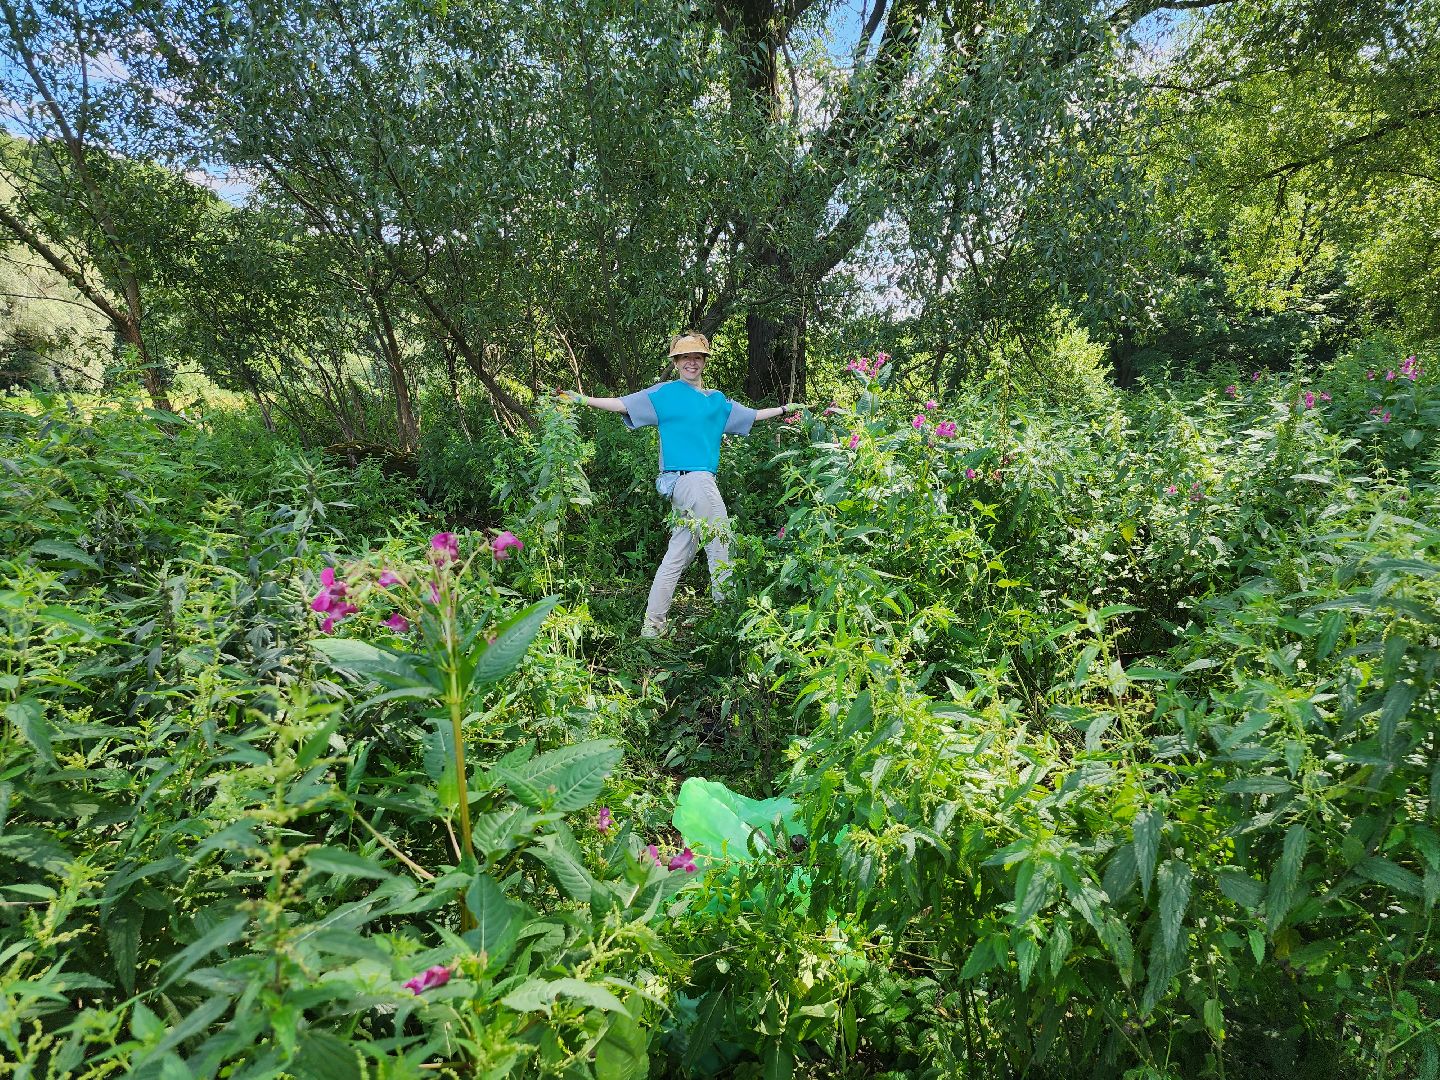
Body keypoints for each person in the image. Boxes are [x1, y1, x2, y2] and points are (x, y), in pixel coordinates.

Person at [559, 332, 802, 637]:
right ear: (675, 363)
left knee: (678, 555)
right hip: (691, 482)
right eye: (685, 357)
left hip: (692, 487)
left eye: (697, 357)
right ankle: (728, 626)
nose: (691, 362)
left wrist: (784, 409)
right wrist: (581, 399)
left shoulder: (716, 401)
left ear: (704, 361)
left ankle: (652, 626)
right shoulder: (666, 394)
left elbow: (751, 415)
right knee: (721, 545)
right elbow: (622, 404)